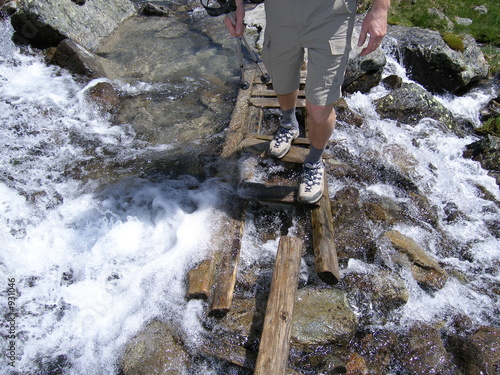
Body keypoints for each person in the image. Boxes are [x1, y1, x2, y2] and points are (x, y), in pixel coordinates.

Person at [225, 0, 390, 204]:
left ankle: (314, 162)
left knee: (320, 105)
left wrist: (380, 9)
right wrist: (235, 5)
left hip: (331, 14)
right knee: (282, 82)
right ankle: (288, 124)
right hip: (279, 11)